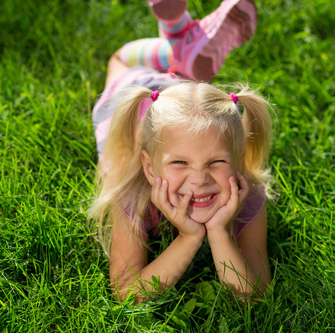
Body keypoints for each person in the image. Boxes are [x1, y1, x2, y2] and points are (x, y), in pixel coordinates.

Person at [88, 0, 272, 303]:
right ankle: (179, 48)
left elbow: (256, 295)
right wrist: (188, 238)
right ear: (149, 168)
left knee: (177, 76)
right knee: (119, 60)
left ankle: (180, 47)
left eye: (216, 161)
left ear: (238, 160)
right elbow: (126, 292)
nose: (199, 180)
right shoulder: (132, 195)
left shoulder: (248, 194)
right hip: (131, 91)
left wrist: (219, 232)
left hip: (179, 101)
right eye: (180, 162)